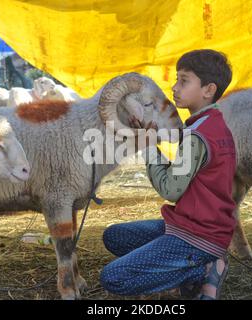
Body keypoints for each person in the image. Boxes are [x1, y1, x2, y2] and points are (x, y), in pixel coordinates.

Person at [100, 49, 236, 300]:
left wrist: (148, 146)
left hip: (197, 237)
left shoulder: (197, 137)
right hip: (187, 225)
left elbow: (170, 189)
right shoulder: (212, 124)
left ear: (208, 90)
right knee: (114, 237)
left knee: (113, 278)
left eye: (184, 81)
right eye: (176, 79)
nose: (174, 87)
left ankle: (202, 270)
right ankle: (197, 265)